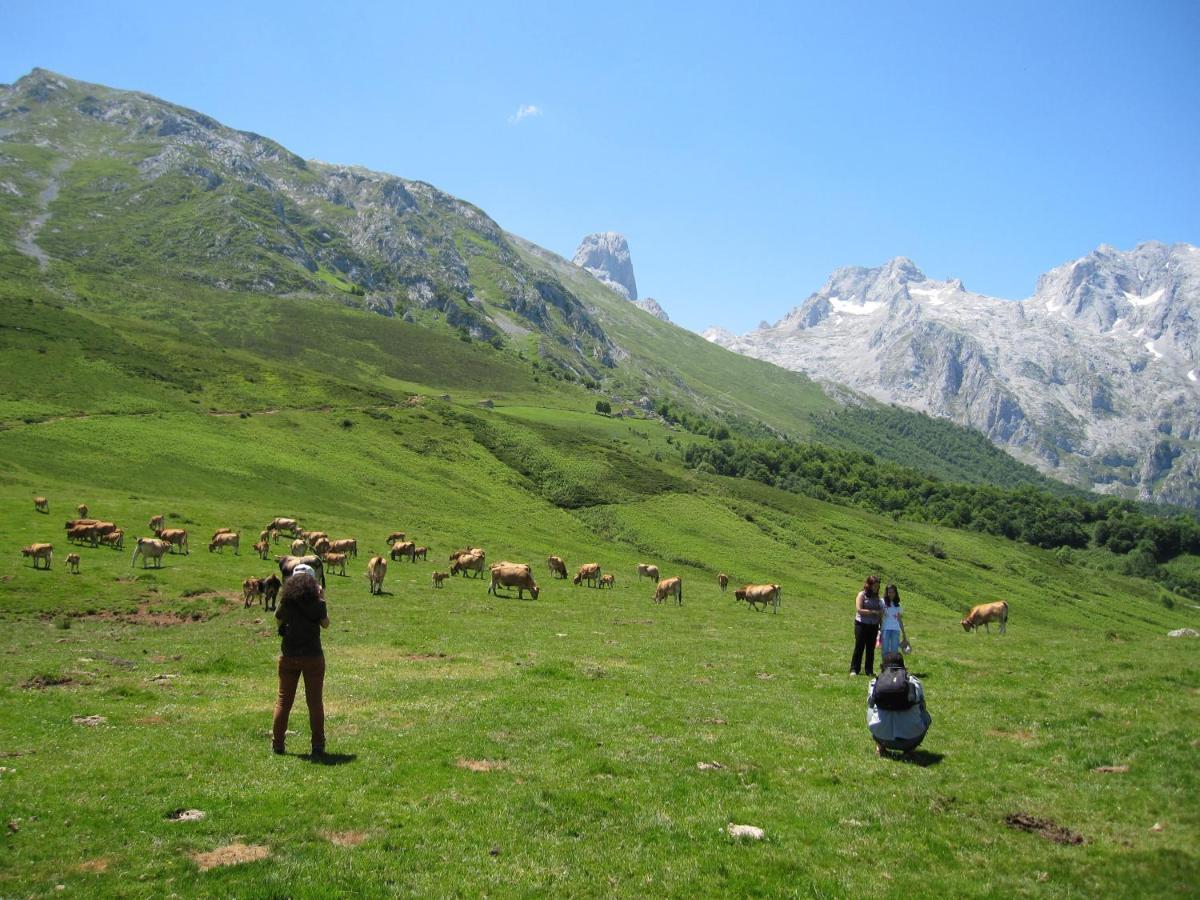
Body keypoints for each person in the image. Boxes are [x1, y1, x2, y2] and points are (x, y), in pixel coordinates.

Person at [272, 564, 330, 756]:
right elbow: (326, 624)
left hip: (289, 655)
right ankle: (318, 744)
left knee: (283, 701)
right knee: (315, 702)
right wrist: (322, 598)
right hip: (313, 655)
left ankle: (278, 743)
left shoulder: (287, 601)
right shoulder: (317, 602)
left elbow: (278, 619)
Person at [867, 652, 931, 756]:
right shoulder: (913, 682)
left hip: (882, 737)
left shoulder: (875, 683)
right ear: (904, 667)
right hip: (910, 739)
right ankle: (909, 750)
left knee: (870, 710)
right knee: (926, 716)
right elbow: (922, 706)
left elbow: (870, 703)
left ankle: (880, 747)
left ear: (882, 666)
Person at [850, 575, 883, 676]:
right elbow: (859, 610)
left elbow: (880, 613)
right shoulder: (861, 595)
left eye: (878, 586)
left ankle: (869, 670)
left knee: (870, 649)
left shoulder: (877, 597)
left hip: (873, 626)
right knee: (859, 647)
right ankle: (854, 669)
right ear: (869, 585)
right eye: (874, 586)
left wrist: (881, 624)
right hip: (861, 625)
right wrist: (874, 612)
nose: (876, 588)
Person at [880, 584, 908, 656]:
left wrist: (904, 633)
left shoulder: (898, 605)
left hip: (895, 629)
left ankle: (894, 665)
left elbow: (899, 620)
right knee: (885, 649)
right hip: (885, 629)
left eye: (893, 592)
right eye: (889, 592)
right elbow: (879, 616)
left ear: (895, 593)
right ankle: (886, 665)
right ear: (887, 593)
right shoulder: (882, 602)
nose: (891, 594)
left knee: (894, 649)